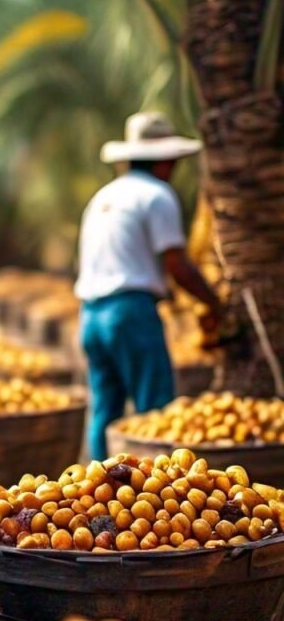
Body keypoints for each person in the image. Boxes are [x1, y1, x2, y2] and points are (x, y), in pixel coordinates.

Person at [75, 112, 222, 461]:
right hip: (130, 314)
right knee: (154, 412)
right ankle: (156, 503)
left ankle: (95, 495)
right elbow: (177, 264)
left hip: (91, 316)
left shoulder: (104, 197)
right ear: (166, 161)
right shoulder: (157, 195)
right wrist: (214, 303)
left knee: (105, 411)